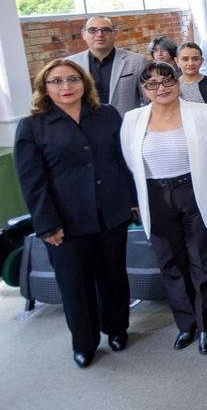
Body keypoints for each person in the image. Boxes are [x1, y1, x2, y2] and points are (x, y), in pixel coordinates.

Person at [14, 60, 135, 368]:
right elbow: (32, 182)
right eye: (56, 81)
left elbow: (122, 160)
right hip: (65, 221)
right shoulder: (33, 126)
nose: (66, 86)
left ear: (85, 83)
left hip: (111, 212)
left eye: (73, 79)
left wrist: (132, 200)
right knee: (74, 285)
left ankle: (117, 329)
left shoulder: (106, 114)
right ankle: (84, 342)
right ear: (44, 88)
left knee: (113, 276)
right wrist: (46, 224)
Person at [121, 62, 207, 354]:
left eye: (167, 80)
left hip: (195, 190)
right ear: (144, 90)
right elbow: (130, 160)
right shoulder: (132, 119)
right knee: (171, 263)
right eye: (152, 84)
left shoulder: (202, 113)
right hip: (155, 195)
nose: (161, 88)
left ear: (177, 82)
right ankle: (187, 323)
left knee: (205, 261)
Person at [67, 16, 147, 116]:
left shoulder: (137, 61)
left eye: (106, 30)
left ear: (115, 33)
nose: (100, 34)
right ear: (84, 34)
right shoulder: (71, 63)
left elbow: (148, 99)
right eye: (93, 30)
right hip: (84, 122)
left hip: (125, 122)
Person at [176, 42, 207, 119]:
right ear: (177, 61)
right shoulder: (172, 87)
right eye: (185, 59)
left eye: (195, 59)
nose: (190, 63)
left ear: (202, 61)